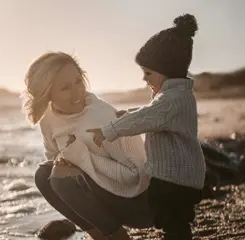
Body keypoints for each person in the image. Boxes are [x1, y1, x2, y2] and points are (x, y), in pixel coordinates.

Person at [87, 14, 206, 240]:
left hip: (175, 181)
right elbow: (151, 114)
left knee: (173, 222)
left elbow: (148, 117)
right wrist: (130, 114)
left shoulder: (172, 99)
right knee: (174, 222)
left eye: (148, 73)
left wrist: (109, 130)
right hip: (181, 178)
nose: (144, 79)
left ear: (168, 70)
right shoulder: (176, 95)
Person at [22, 52, 153, 240]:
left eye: (77, 81)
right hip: (106, 198)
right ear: (47, 93)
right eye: (65, 87)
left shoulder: (103, 117)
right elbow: (53, 157)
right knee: (44, 175)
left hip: (142, 204)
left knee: (62, 179)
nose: (77, 93)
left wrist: (82, 159)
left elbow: (137, 176)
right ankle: (98, 236)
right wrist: (72, 162)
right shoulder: (48, 120)